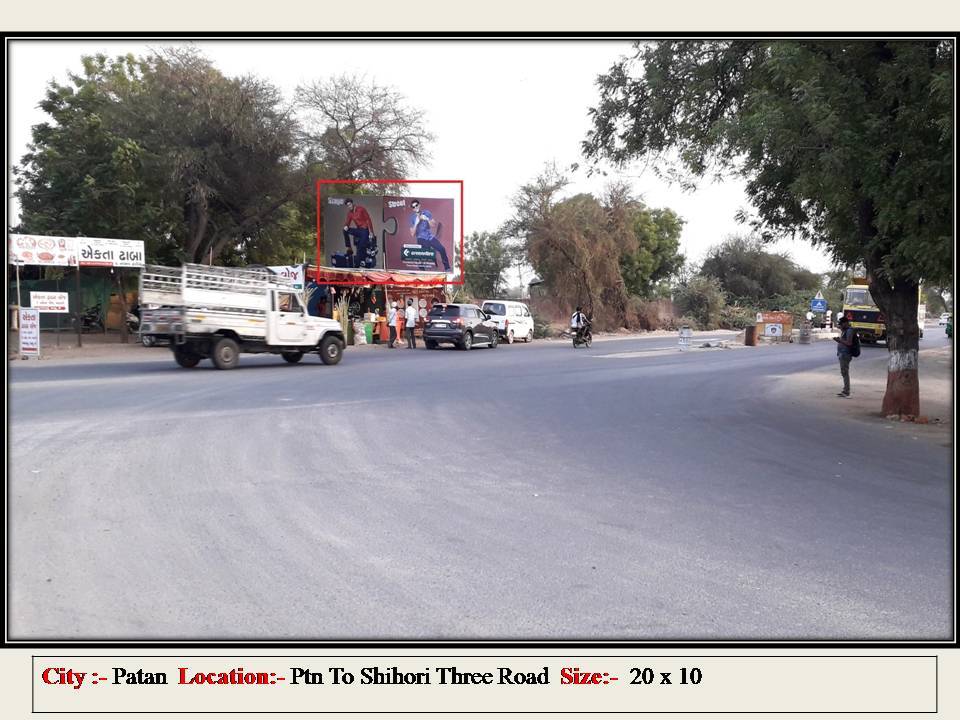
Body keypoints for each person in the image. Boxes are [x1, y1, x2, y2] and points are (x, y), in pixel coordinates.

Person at [409, 199, 451, 272]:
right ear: (412, 209)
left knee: (442, 249)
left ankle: (447, 268)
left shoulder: (426, 212)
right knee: (424, 255)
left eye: (416, 205)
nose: (415, 208)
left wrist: (427, 219)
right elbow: (412, 234)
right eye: (413, 207)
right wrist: (416, 223)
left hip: (429, 237)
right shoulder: (412, 218)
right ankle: (422, 271)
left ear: (419, 205)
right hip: (421, 239)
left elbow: (433, 225)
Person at [343, 199, 375, 268]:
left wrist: (371, 232)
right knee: (345, 230)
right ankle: (349, 248)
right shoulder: (350, 213)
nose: (349, 206)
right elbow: (347, 222)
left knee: (360, 247)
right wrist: (346, 226)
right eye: (347, 205)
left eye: (350, 204)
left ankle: (357, 264)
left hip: (365, 231)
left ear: (352, 203)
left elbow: (368, 219)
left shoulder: (361, 209)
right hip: (358, 230)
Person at [834, 316, 855, 397]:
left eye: (842, 324)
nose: (841, 326)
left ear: (846, 323)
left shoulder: (849, 331)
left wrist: (839, 340)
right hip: (842, 353)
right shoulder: (845, 330)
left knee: (845, 372)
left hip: (845, 354)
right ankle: (845, 390)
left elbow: (849, 343)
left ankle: (846, 391)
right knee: (844, 372)